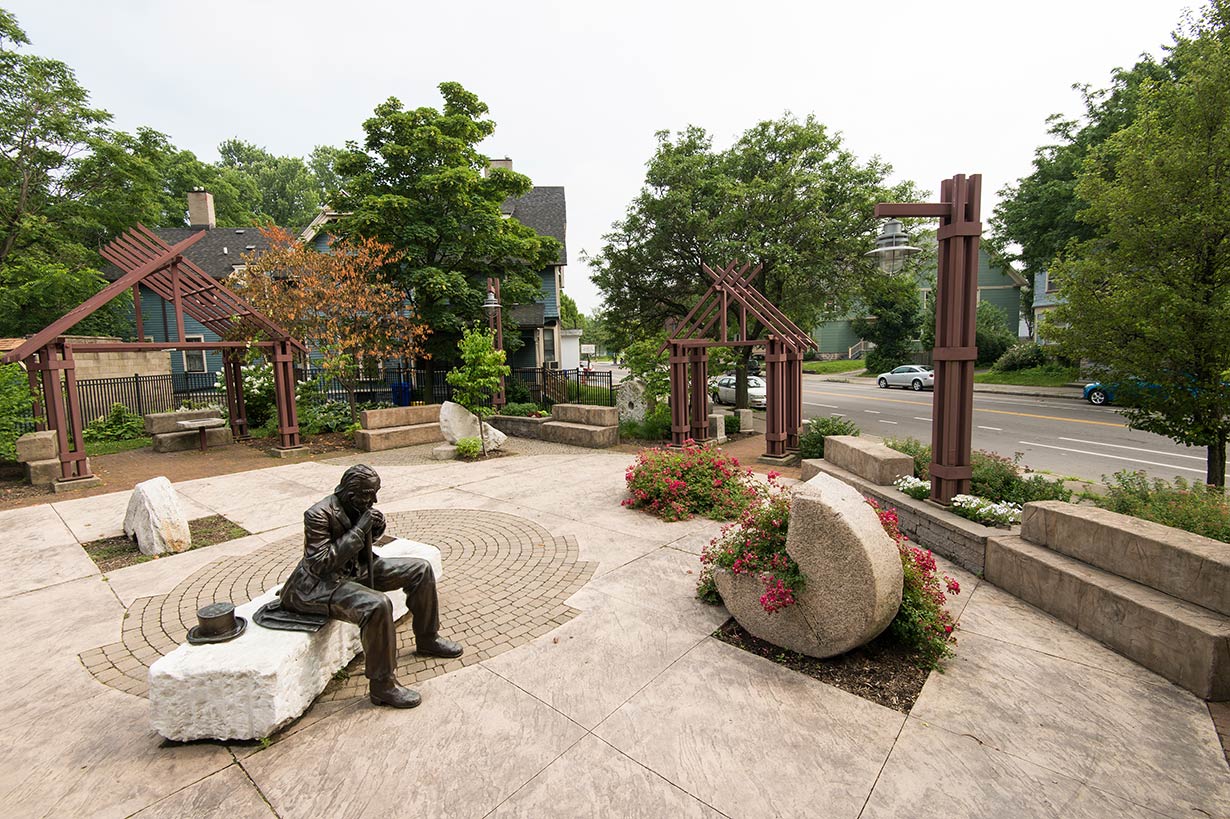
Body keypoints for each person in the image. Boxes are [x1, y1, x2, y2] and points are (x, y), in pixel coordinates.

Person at [278, 464, 462, 708]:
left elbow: (368, 539)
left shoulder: (358, 504)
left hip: (358, 569)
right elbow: (320, 564)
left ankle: (428, 638)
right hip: (323, 583)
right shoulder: (317, 514)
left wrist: (376, 527)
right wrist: (360, 528)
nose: (374, 499)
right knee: (377, 605)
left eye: (376, 492)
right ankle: (382, 685)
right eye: (369, 494)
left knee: (420, 569)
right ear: (350, 493)